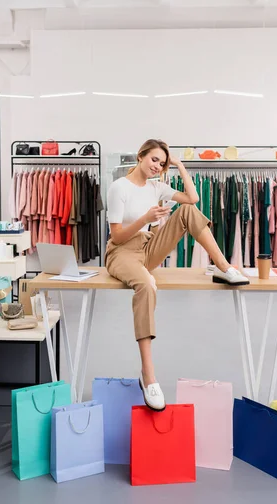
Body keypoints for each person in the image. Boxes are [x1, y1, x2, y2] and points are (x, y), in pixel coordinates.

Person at [106, 139, 249, 412]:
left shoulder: (157, 187)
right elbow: (117, 235)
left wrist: (181, 166)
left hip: (148, 247)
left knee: (186, 211)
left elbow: (193, 200)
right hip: (122, 252)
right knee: (147, 286)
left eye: (162, 163)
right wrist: (146, 218)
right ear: (140, 156)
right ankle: (148, 375)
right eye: (154, 160)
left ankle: (224, 267)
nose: (157, 166)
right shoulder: (119, 188)